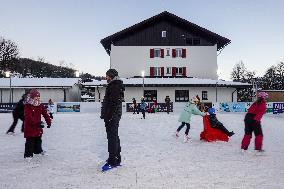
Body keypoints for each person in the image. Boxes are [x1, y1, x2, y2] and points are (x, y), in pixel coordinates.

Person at [100, 69, 125, 171]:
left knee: (112, 138)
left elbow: (113, 103)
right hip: (112, 116)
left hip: (112, 116)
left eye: (107, 76)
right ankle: (116, 158)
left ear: (111, 76)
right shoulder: (114, 85)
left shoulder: (114, 85)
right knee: (114, 137)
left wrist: (109, 116)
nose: (106, 78)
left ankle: (112, 161)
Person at [23, 89, 51, 160]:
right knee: (30, 141)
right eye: (36, 98)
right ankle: (28, 155)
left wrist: (49, 122)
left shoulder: (40, 105)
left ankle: (38, 151)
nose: (38, 99)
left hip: (37, 126)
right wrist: (37, 123)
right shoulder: (28, 106)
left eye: (39, 98)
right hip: (30, 127)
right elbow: (28, 117)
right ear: (32, 97)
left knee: (38, 139)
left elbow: (45, 114)